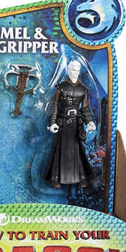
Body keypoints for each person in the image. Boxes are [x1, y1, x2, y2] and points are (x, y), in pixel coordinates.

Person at [44, 60, 96, 188]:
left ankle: (82, 177)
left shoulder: (83, 89)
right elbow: (54, 106)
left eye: (77, 69)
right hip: (63, 123)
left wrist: (90, 122)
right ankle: (55, 177)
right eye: (73, 69)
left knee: (78, 150)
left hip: (76, 125)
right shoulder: (60, 88)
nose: (75, 72)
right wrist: (52, 123)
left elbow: (85, 108)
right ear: (68, 69)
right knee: (59, 150)